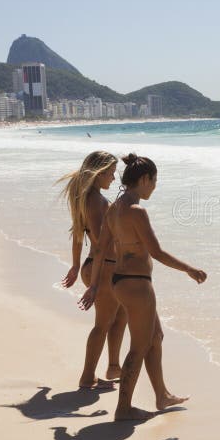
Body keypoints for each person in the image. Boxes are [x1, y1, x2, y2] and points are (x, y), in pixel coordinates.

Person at [80, 153, 207, 420]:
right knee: (139, 347)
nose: (155, 186)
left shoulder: (114, 208)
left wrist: (93, 286)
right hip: (137, 285)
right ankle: (123, 409)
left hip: (119, 282)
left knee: (155, 337)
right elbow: (157, 252)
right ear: (145, 179)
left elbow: (101, 248)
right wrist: (189, 269)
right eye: (155, 181)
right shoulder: (136, 212)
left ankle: (162, 395)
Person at [58, 151, 127, 389]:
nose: (113, 178)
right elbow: (99, 244)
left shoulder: (86, 197)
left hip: (96, 267)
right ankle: (88, 376)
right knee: (104, 323)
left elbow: (78, 234)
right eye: (109, 173)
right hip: (104, 268)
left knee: (120, 316)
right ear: (98, 174)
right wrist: (95, 284)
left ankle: (113, 367)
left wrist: (77, 266)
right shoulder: (96, 201)